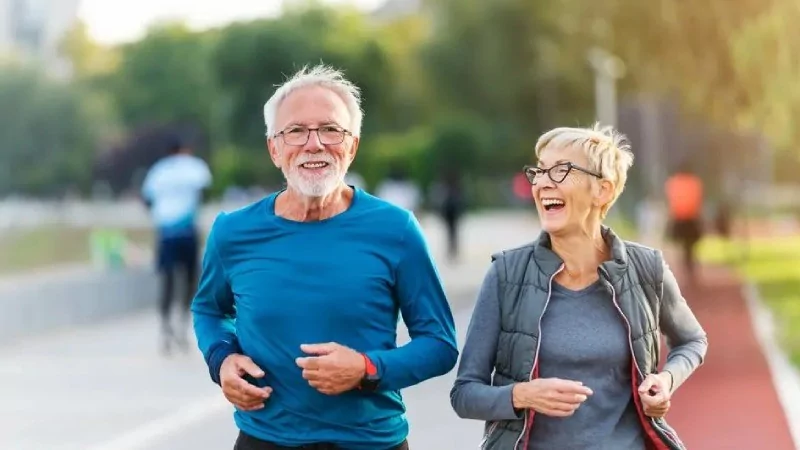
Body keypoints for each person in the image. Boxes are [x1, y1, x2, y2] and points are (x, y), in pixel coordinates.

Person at [191, 65, 458, 450]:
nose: (313, 144)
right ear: (274, 149)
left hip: (370, 443)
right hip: (263, 440)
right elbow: (210, 310)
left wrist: (367, 369)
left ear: (352, 145)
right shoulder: (232, 232)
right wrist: (221, 359)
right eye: (296, 131)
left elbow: (439, 343)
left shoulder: (396, 229)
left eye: (331, 130)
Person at [450, 124, 708, 450]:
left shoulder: (646, 268)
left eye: (560, 171)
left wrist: (665, 381)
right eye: (539, 172)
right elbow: (464, 394)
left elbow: (692, 341)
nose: (542, 182)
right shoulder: (506, 274)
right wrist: (520, 394)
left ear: (602, 190)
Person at [141, 138, 212, 355]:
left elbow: (147, 200)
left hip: (165, 233)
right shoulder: (195, 166)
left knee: (167, 280)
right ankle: (183, 324)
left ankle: (165, 327)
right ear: (184, 150)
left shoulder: (157, 171)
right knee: (190, 280)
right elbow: (204, 192)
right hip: (187, 231)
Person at [664, 163, 704, 284]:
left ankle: (685, 266)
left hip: (679, 219)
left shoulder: (673, 182)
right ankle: (690, 266)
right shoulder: (695, 182)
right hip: (692, 219)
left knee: (683, 247)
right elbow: (698, 200)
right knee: (690, 247)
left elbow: (671, 201)